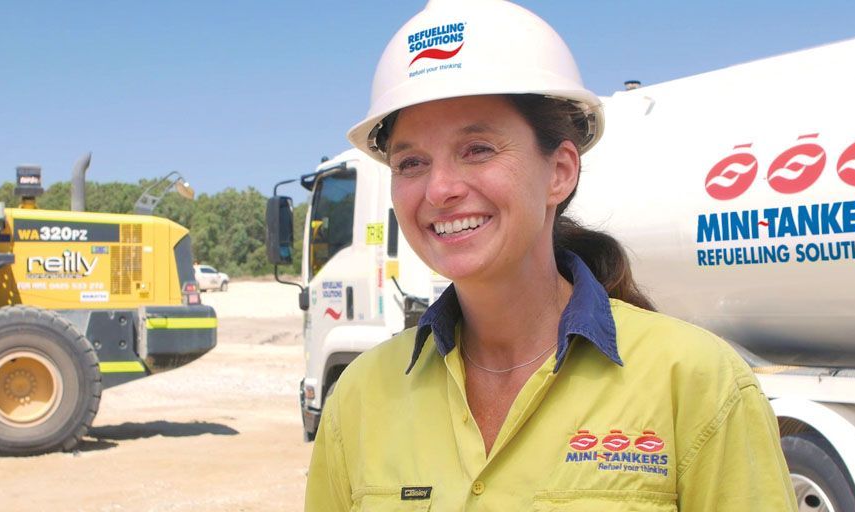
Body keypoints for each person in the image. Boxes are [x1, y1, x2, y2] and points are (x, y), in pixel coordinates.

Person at [305, 1, 796, 510]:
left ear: (560, 171)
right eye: (411, 162)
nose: (440, 189)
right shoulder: (361, 399)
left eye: (477, 149)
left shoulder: (694, 382)